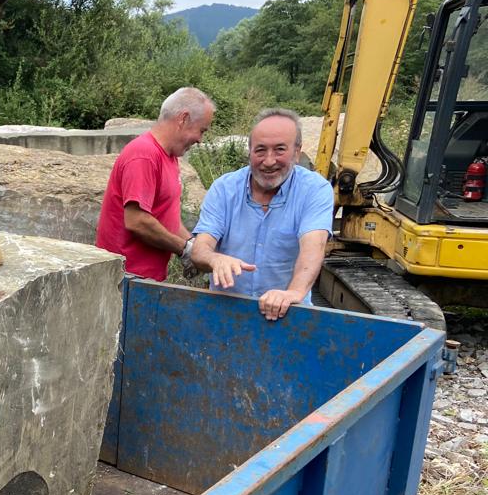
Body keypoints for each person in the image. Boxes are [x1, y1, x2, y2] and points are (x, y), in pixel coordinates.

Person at [190, 108, 333, 321]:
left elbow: (314, 247)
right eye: (260, 150)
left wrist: (293, 293)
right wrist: (214, 259)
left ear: (296, 152)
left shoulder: (315, 190)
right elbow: (200, 249)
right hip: (226, 315)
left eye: (279, 150)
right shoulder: (224, 189)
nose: (268, 161)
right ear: (249, 151)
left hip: (288, 316)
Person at [96, 87, 215, 281]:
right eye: (201, 130)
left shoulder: (169, 158)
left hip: (146, 280)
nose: (200, 140)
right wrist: (184, 249)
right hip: (124, 279)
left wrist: (195, 247)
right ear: (183, 119)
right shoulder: (144, 154)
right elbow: (137, 221)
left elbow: (169, 221)